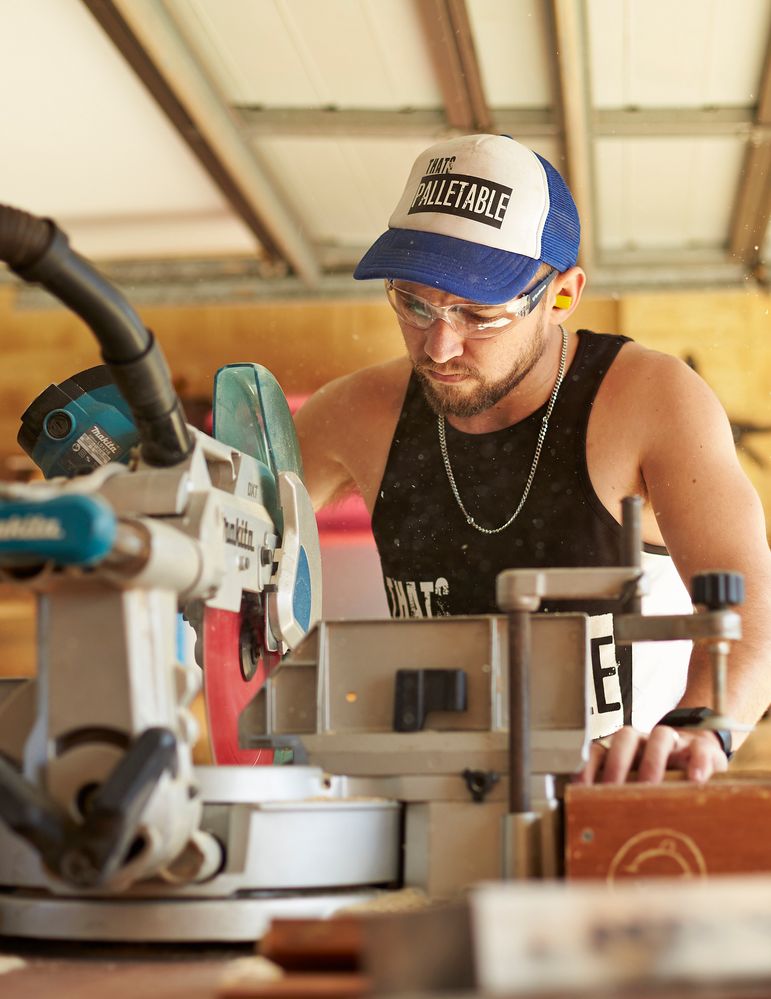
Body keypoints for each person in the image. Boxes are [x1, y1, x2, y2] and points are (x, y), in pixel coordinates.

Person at [295, 133, 771, 784]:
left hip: (618, 800)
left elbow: (753, 609)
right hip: (426, 802)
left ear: (562, 295)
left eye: (479, 313)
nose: (438, 346)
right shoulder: (357, 414)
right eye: (414, 303)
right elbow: (233, 537)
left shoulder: (648, 400)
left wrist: (701, 726)